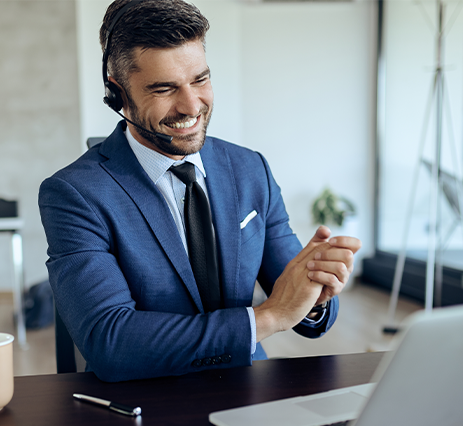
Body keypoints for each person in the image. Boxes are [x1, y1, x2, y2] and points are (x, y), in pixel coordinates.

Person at [39, 0, 361, 382]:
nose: (191, 105)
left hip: (248, 385)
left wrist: (314, 292)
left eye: (200, 80)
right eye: (164, 88)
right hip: (143, 402)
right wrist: (268, 317)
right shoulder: (74, 194)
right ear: (118, 93)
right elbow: (112, 343)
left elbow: (294, 293)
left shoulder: (249, 168)